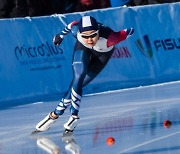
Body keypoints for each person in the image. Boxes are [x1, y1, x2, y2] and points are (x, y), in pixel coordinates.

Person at [34, 16, 134, 133]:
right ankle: (73, 116)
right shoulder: (76, 32)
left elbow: (131, 30)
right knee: (78, 76)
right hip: (83, 49)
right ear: (80, 34)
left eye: (93, 35)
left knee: (79, 84)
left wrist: (122, 34)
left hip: (102, 55)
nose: (90, 39)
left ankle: (55, 114)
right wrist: (61, 35)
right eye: (85, 36)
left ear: (98, 32)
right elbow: (73, 24)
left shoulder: (111, 38)